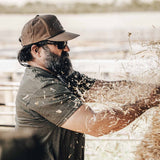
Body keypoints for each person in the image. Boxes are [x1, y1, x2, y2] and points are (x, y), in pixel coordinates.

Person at [16, 14, 160, 160]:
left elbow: (107, 90)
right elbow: (95, 125)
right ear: (36, 50)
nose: (67, 49)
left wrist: (152, 90)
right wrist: (146, 103)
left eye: (65, 42)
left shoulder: (62, 76)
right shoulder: (41, 88)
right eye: (59, 44)